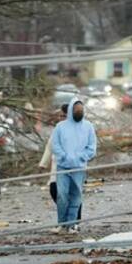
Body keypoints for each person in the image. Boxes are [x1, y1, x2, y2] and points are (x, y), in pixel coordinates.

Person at [51, 98, 97, 234]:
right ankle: (62, 223)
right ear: (71, 110)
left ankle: (72, 224)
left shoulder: (88, 126)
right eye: (77, 110)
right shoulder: (60, 127)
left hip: (79, 167)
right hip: (63, 167)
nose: (79, 112)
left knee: (76, 195)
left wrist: (81, 157)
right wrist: (65, 157)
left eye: (81, 111)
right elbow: (55, 145)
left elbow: (92, 147)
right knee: (62, 195)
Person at [39, 104, 83, 220]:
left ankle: (74, 222)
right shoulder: (57, 130)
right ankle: (66, 220)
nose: (61, 118)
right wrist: (43, 164)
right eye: (60, 116)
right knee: (54, 191)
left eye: (64, 116)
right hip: (57, 168)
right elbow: (49, 147)